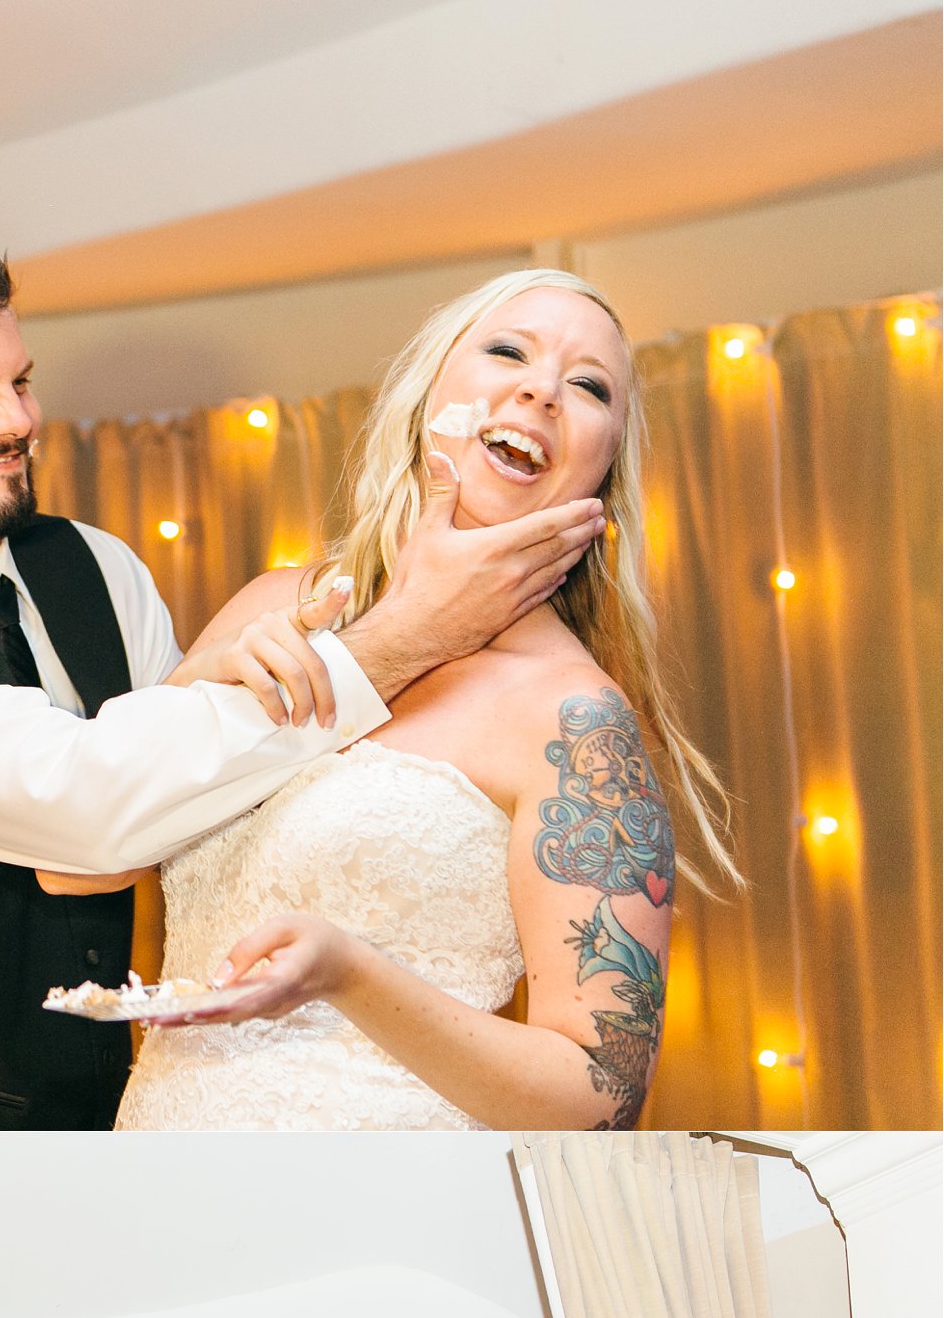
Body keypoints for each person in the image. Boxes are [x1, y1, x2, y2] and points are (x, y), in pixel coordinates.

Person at [0, 241, 607, 1131]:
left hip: (117, 1125)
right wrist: (404, 640)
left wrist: (201, 683)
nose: (18, 419)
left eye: (20, 382)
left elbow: (180, 800)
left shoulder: (98, 571)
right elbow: (88, 821)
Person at [103, 269, 741, 1131]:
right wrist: (189, 691)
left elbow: (602, 1097)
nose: (541, 389)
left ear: (602, 471)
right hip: (162, 1168)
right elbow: (77, 868)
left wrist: (351, 974)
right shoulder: (271, 610)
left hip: (386, 1199)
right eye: (508, 349)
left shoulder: (574, 719)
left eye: (588, 386)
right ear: (427, 393)